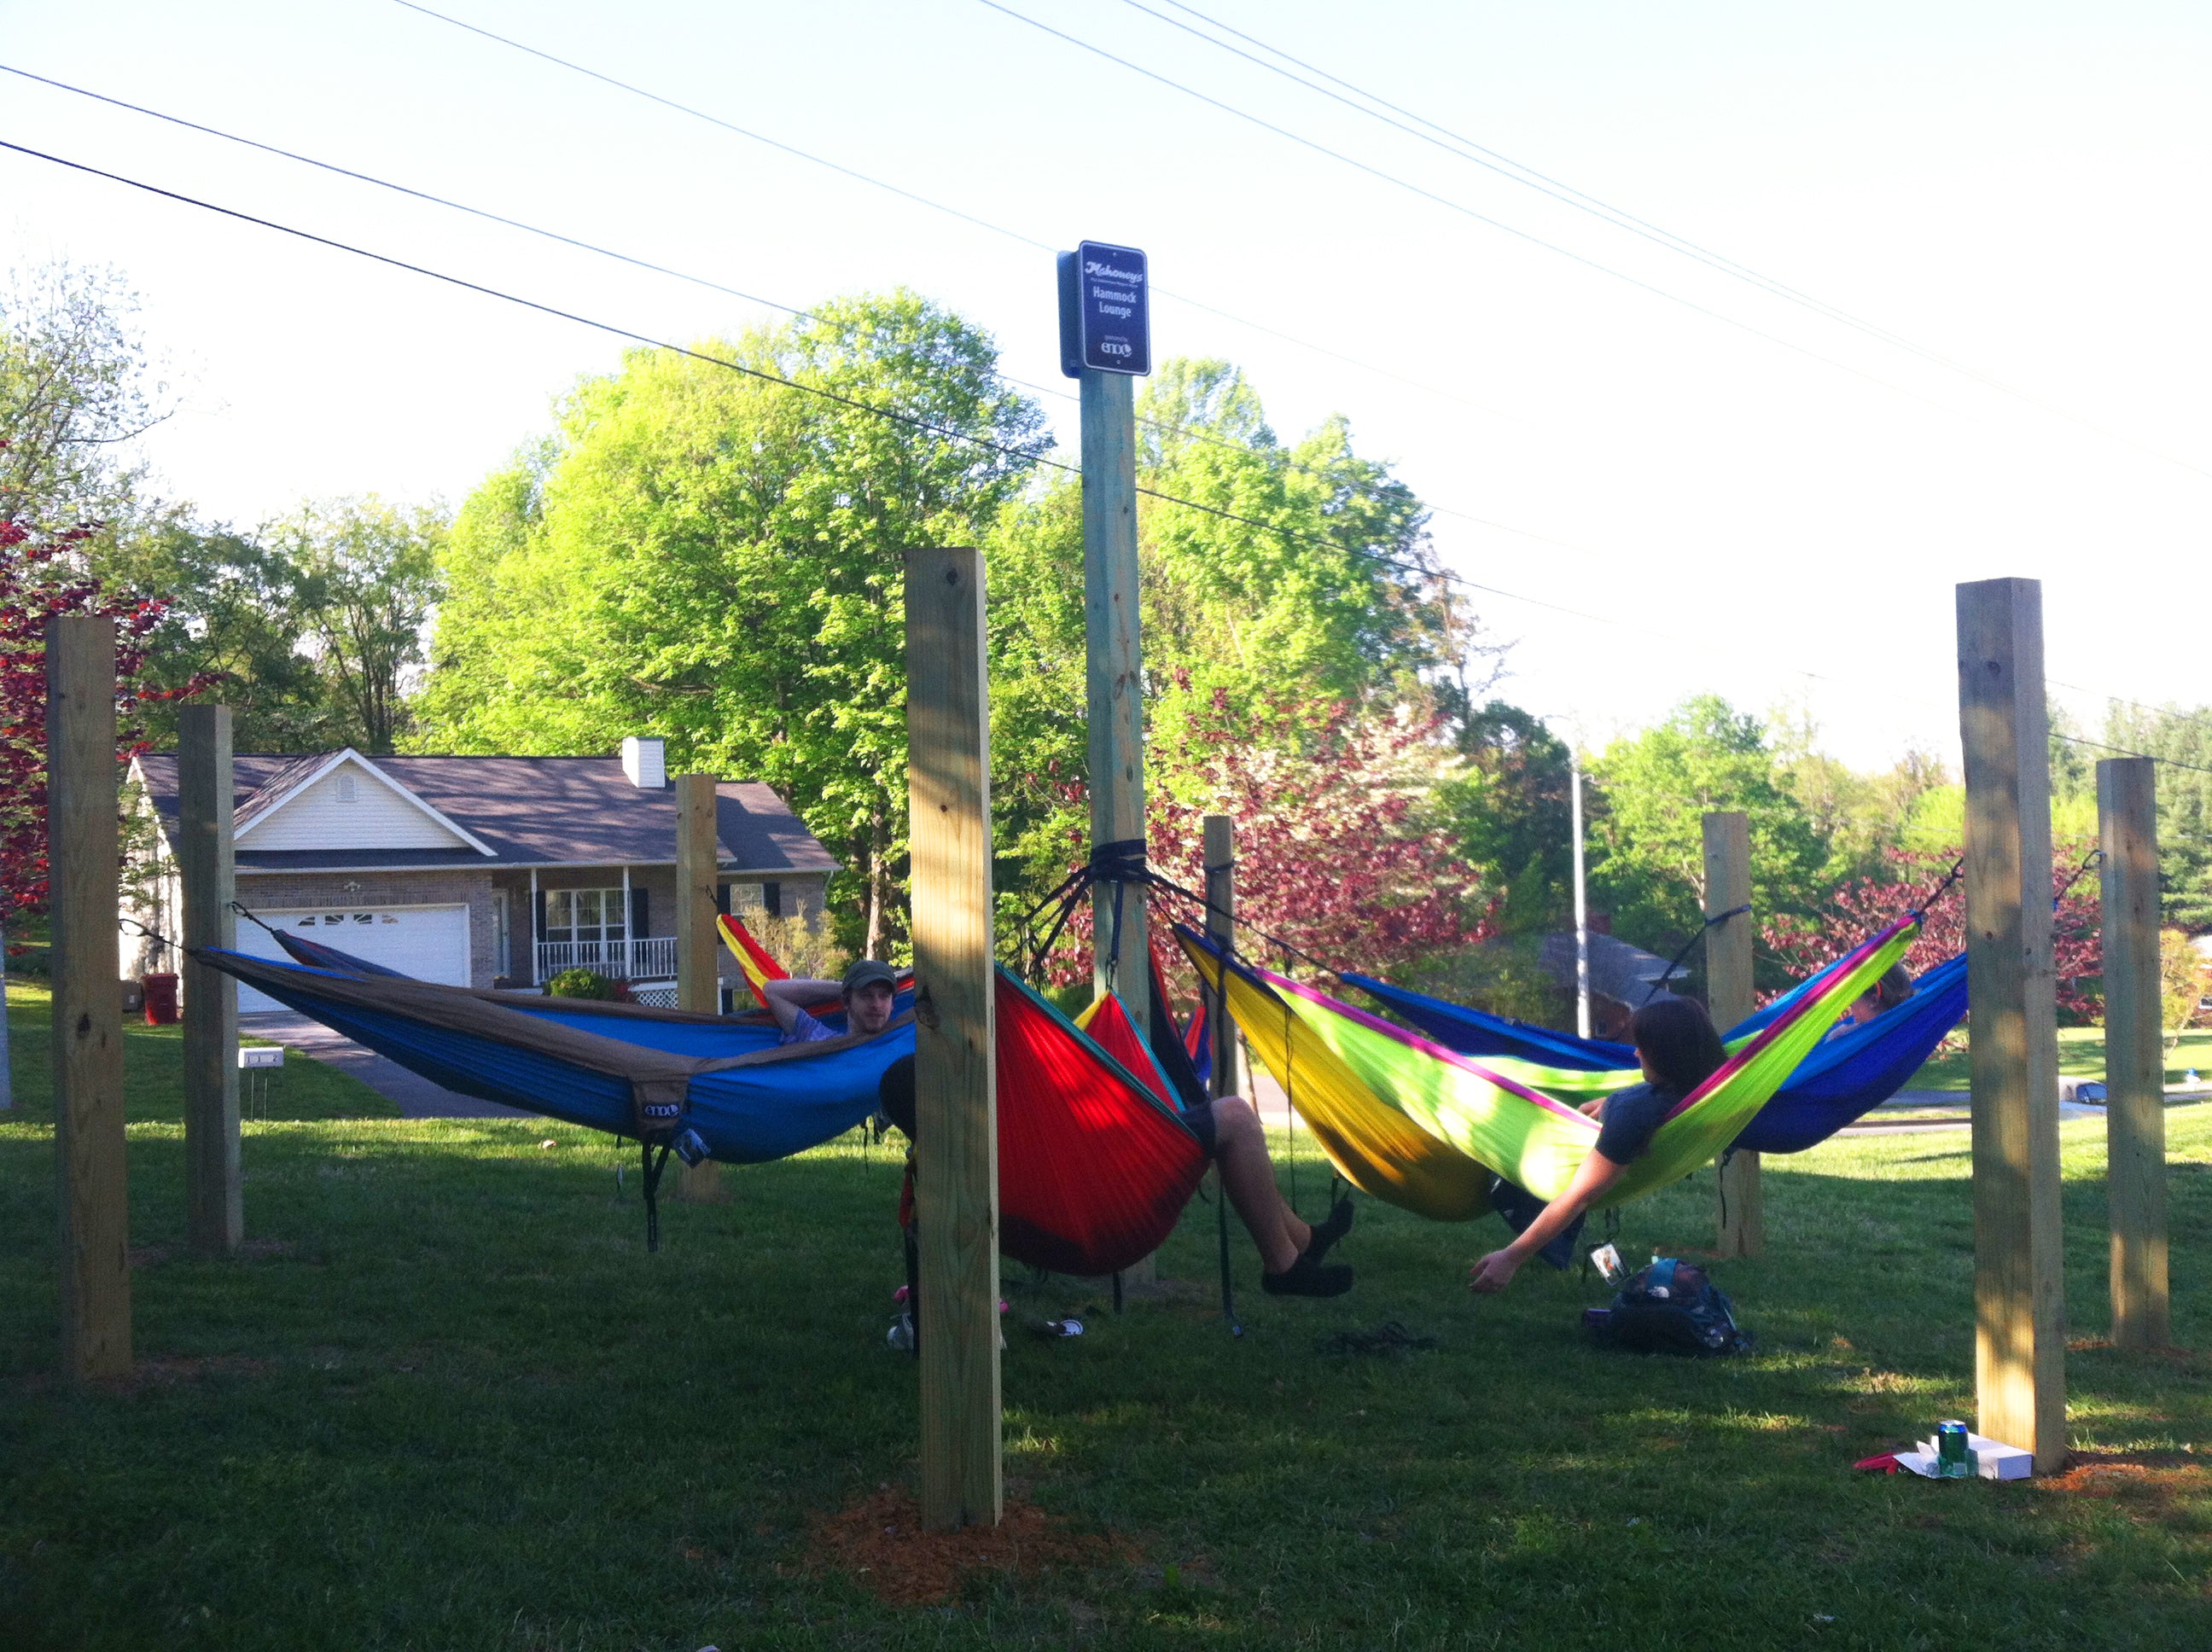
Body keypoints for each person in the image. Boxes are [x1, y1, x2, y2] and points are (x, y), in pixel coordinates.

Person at [877, 1056, 1355, 1297]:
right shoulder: (988, 1148)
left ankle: (1304, 1241)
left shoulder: (937, 1168)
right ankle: (1282, 1265)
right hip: (1109, 1217)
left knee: (1220, 1126)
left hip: (1085, 1219)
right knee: (1235, 1117)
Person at [1467, 996, 1729, 1295]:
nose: (1635, 1053)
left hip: (1542, 1160)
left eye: (1642, 1046)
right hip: (1591, 1124)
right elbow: (1657, 1098)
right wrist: (1610, 1103)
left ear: (1665, 1054)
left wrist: (1511, 1257)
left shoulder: (1633, 1117)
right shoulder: (1708, 1086)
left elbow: (1579, 1195)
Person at [765, 959, 900, 1045]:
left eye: (884, 996)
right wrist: (845, 988)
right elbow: (772, 991)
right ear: (847, 1002)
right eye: (866, 996)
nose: (876, 1005)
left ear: (892, 1004)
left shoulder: (904, 1039)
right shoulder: (821, 1040)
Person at [1822, 960, 1915, 1040]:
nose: (1854, 1016)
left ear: (1874, 1000)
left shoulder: (1858, 1041)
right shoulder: (1913, 1024)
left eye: (1853, 1006)